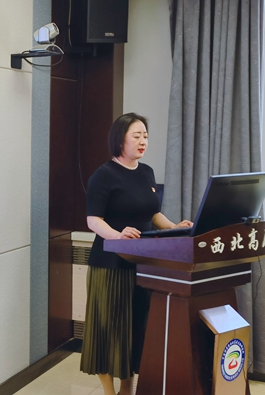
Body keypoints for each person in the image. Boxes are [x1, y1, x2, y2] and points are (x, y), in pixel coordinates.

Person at [79, 113, 193, 395]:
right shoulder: (103, 175)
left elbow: (152, 214)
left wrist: (174, 227)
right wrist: (118, 236)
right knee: (109, 332)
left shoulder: (146, 172)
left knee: (135, 328)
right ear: (120, 140)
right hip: (110, 266)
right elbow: (93, 221)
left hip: (143, 264)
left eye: (145, 136)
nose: (143, 141)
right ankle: (109, 391)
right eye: (137, 136)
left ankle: (127, 389)